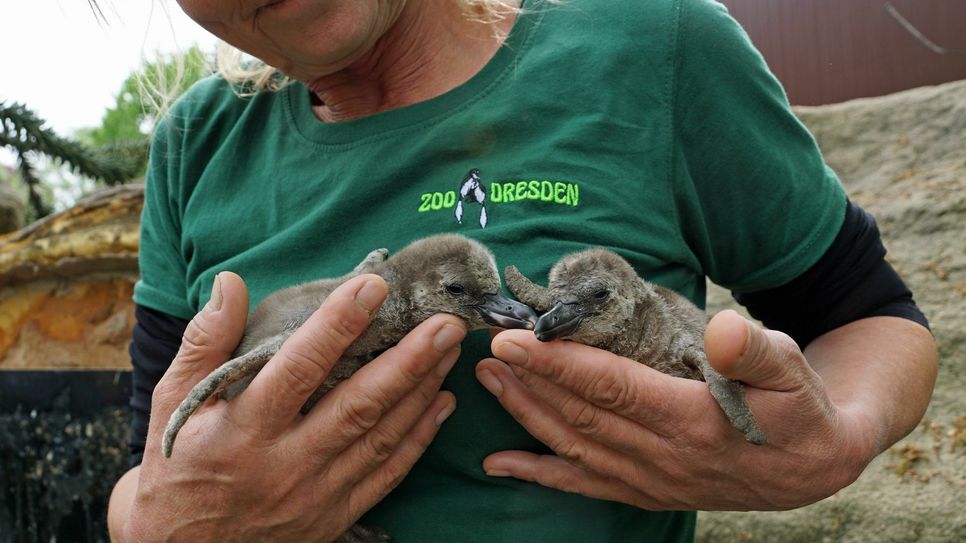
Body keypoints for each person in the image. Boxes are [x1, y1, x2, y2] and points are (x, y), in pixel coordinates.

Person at [107, 0, 937, 541]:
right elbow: (146, 473)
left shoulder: (656, 48)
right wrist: (166, 525)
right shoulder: (194, 144)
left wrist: (836, 442)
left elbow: (868, 313)